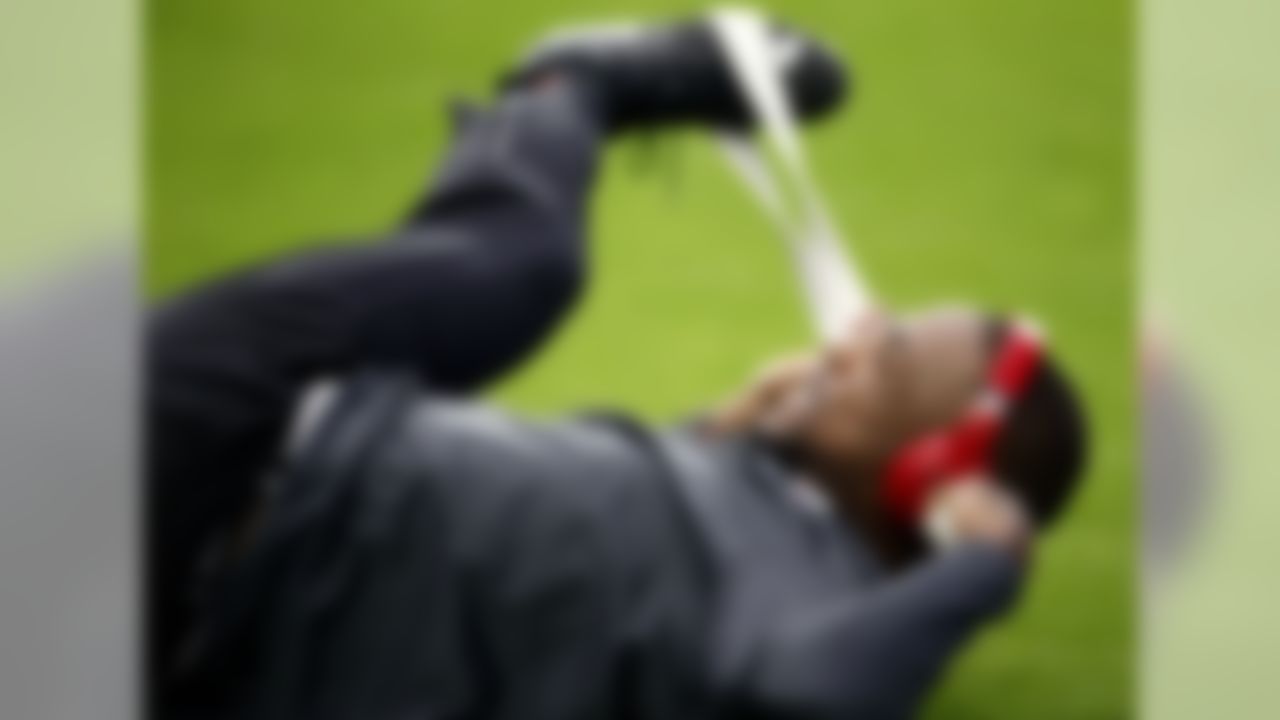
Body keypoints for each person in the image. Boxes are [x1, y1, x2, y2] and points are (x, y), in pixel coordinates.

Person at [148, 14, 1087, 720]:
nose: (841, 342)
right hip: (239, 424)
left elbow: (799, 695)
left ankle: (576, 83)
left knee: (520, 264)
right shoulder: (753, 495)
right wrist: (735, 434)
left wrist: (985, 571)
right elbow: (563, 556)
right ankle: (574, 87)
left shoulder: (818, 610)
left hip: (182, 605)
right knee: (520, 271)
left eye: (885, 355)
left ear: (933, 475)